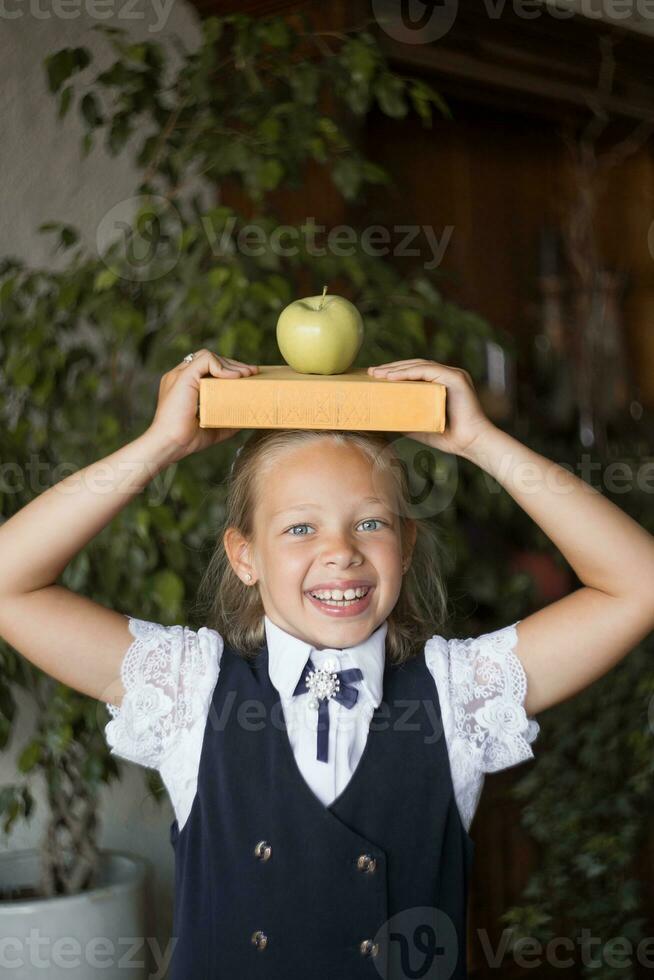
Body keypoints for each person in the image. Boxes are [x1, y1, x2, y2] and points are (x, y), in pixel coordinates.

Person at [0, 350, 652, 980]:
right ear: (244, 555)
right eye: (299, 529)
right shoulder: (188, 690)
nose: (340, 552)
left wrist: (483, 441)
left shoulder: (462, 696)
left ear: (406, 545)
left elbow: (639, 584)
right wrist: (159, 445)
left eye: (370, 524)